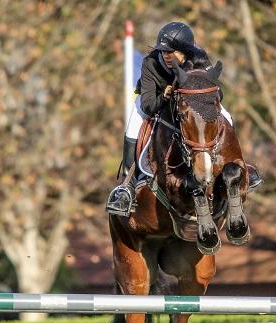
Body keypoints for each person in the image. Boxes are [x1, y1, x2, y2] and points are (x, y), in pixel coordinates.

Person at [106, 22, 262, 216]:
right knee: (133, 125)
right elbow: (148, 104)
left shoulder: (199, 58)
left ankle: (240, 163)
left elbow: (217, 93)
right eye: (164, 52)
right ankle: (127, 185)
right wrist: (164, 95)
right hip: (155, 99)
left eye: (171, 52)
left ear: (185, 51)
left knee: (226, 115)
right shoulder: (150, 63)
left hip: (191, 103)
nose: (166, 56)